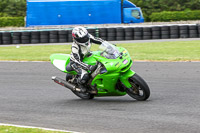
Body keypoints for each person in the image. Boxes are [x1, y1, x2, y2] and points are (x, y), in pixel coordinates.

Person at [66, 26, 104, 92]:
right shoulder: (75, 47)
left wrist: (109, 45)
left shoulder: (88, 36)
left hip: (86, 55)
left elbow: (97, 40)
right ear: (76, 39)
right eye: (82, 39)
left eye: (85, 37)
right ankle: (81, 85)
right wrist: (88, 67)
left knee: (102, 59)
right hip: (76, 62)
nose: (84, 39)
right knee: (85, 75)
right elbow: (77, 60)